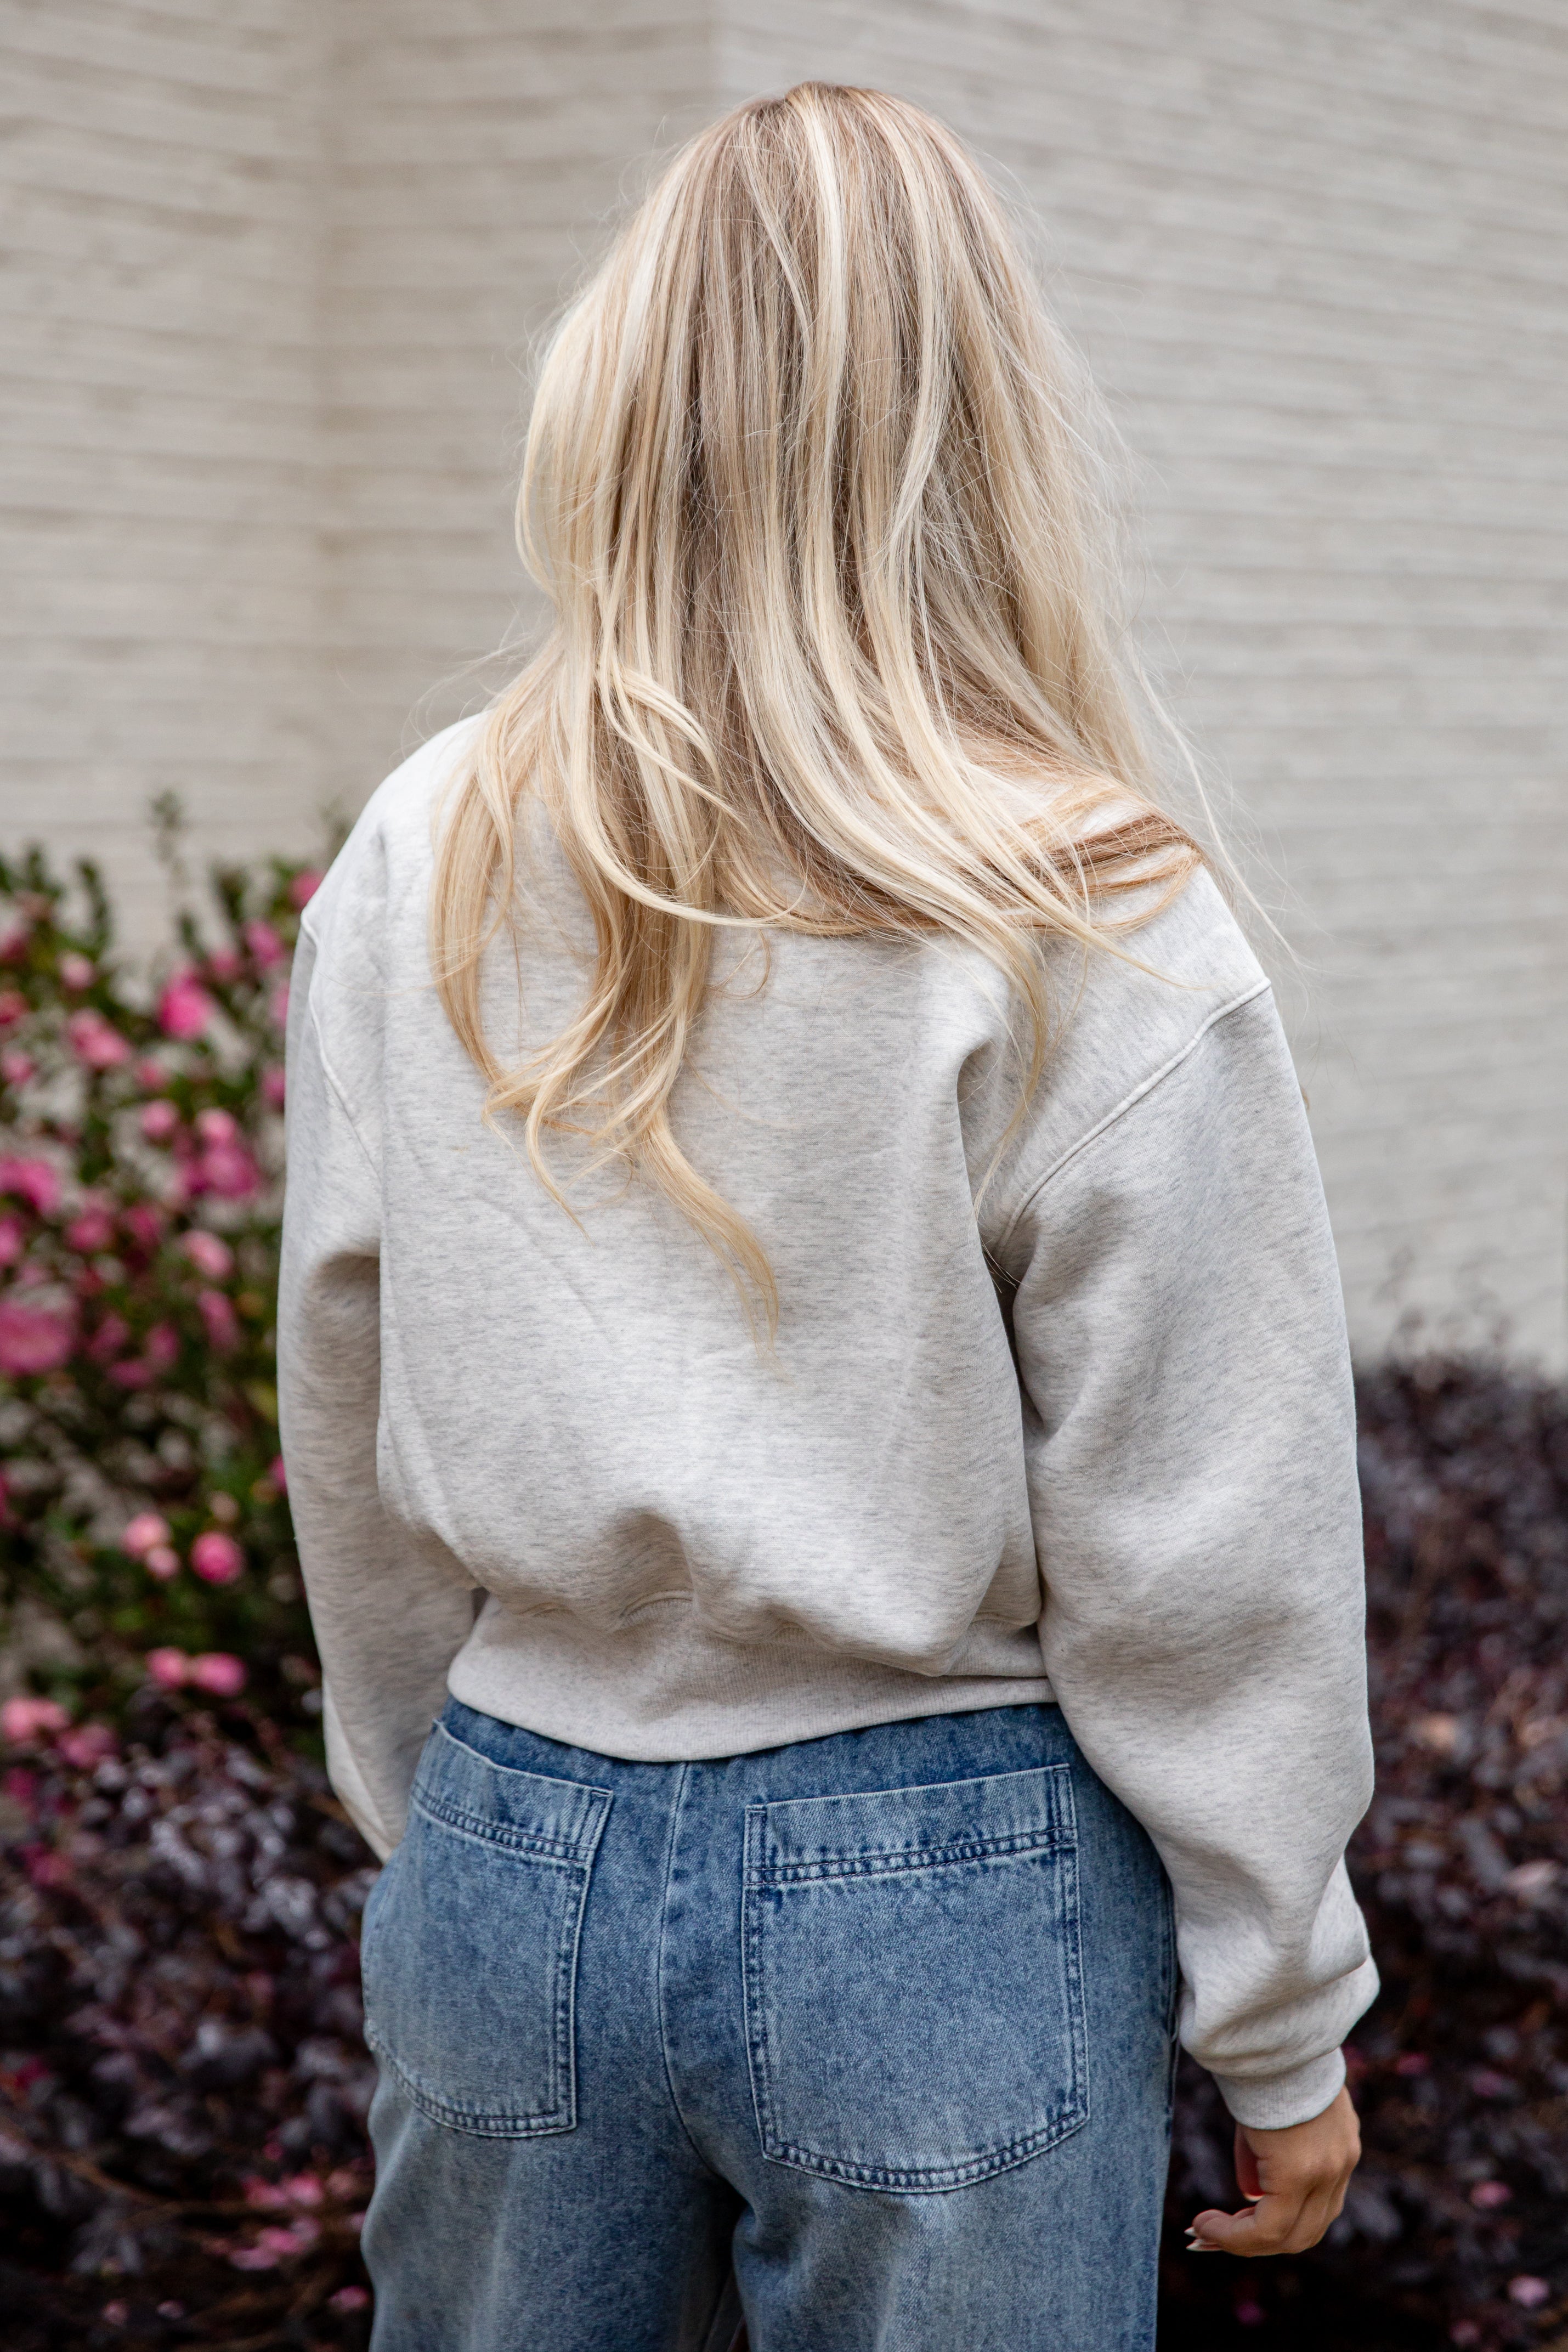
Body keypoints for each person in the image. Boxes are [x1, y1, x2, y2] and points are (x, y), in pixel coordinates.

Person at [278, 81, 1375, 2352]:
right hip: (946, 1888)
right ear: (977, 422)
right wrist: (1279, 2006)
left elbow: (346, 1393)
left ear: (623, 390)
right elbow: (1204, 1526)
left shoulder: (429, 846)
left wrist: (452, 1822)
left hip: (516, 1841)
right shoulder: (1086, 903)